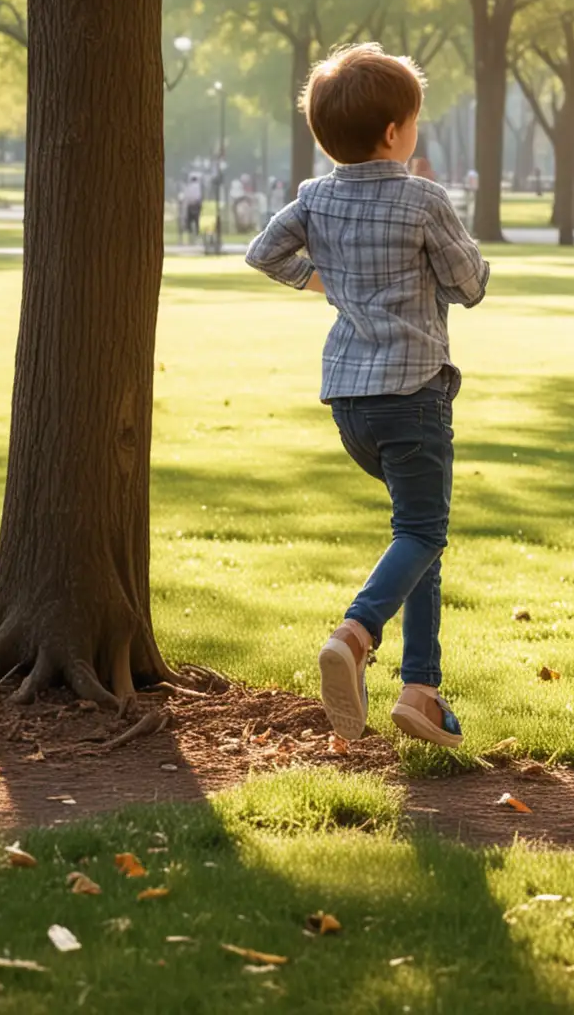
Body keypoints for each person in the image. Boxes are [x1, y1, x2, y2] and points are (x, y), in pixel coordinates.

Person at [246, 43, 488, 751]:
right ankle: (355, 636)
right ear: (394, 133)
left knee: (421, 539)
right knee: (422, 531)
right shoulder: (422, 198)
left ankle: (421, 693)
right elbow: (469, 283)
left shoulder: (315, 197)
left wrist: (328, 282)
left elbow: (264, 254)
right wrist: (437, 276)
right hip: (413, 395)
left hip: (349, 403)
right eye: (414, 119)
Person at [182, 171, 203, 240]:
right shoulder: (198, 186)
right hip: (197, 205)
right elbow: (199, 197)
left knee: (189, 219)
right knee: (197, 219)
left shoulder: (189, 186)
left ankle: (190, 231)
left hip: (191, 205)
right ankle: (196, 232)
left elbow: (187, 197)